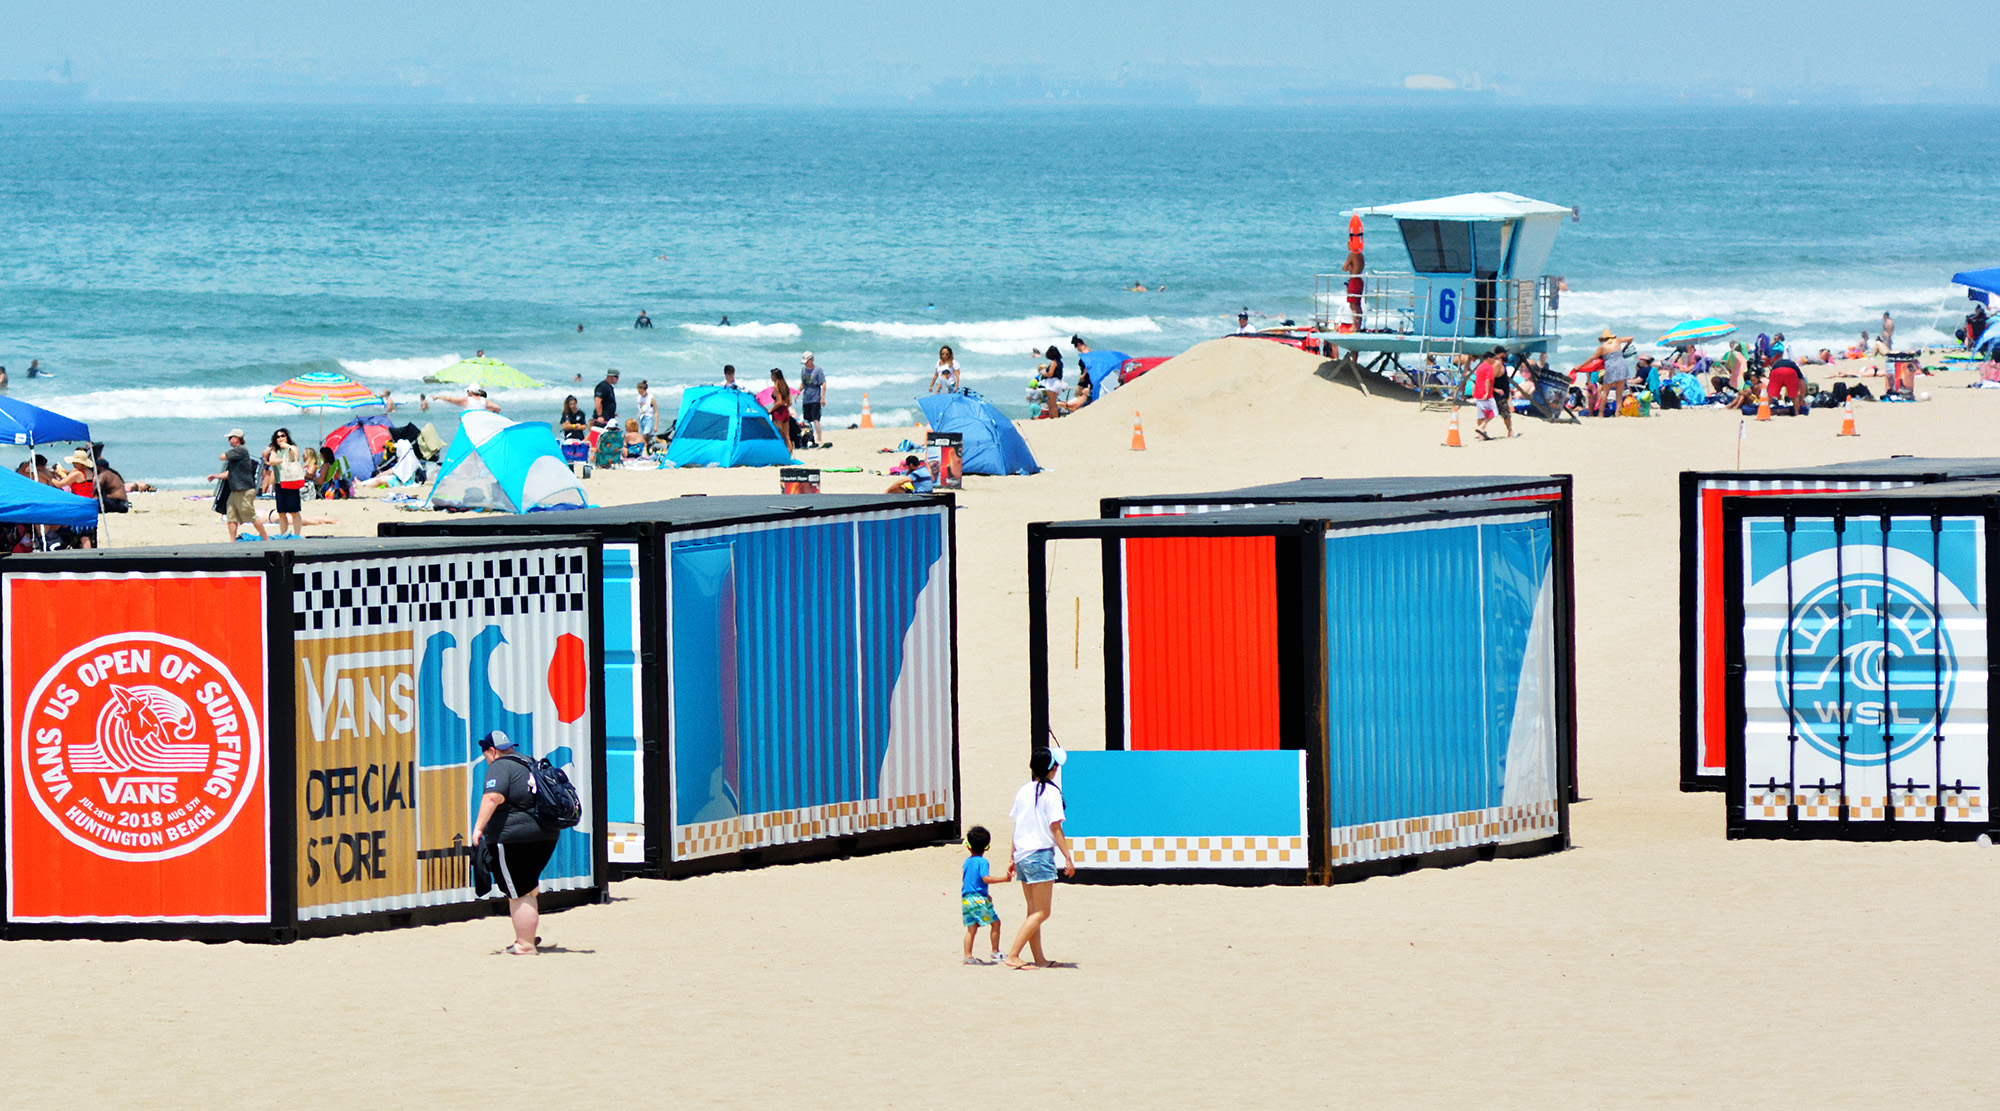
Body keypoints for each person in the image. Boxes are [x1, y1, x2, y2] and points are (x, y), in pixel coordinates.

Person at [470, 731, 559, 956]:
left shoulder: (499, 766)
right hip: (546, 835)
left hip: (515, 839)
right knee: (527, 886)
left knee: (518, 892)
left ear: (492, 751)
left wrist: (479, 828)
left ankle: (525, 945)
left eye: (487, 756)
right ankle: (528, 934)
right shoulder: (529, 762)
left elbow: (493, 797)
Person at [1003, 746, 1073, 970]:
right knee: (1043, 912)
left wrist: (1012, 857)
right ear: (1052, 768)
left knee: (1033, 911)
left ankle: (1039, 958)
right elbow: (1055, 828)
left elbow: (1017, 826)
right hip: (1039, 855)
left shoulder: (1024, 790)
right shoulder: (1051, 792)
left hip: (1023, 855)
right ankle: (1013, 954)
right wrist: (1068, 857)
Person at [207, 429, 268, 542]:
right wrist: (215, 476)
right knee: (231, 516)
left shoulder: (240, 450)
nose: (229, 440)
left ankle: (266, 539)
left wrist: (228, 453)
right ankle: (232, 541)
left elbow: (222, 456)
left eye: (230, 438)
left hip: (244, 490)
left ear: (237, 438)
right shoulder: (236, 455)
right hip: (235, 490)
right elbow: (229, 474)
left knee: (250, 515)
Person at [961, 825, 1006, 966]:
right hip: (978, 898)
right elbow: (985, 878)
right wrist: (1003, 879)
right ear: (987, 847)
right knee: (995, 923)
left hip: (966, 899)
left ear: (968, 846)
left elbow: (970, 881)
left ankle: (968, 956)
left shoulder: (967, 862)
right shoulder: (983, 862)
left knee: (971, 928)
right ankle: (995, 952)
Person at [264, 428, 308, 539]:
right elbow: (272, 461)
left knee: (294, 510)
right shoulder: (275, 450)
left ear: (287, 437)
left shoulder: (292, 448)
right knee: (281, 512)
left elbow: (295, 459)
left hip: (291, 480)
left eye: (282, 436)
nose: (280, 438)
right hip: (280, 482)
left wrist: (287, 448)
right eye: (278, 436)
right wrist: (283, 460)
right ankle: (283, 534)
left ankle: (297, 534)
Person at [1593, 329, 1636, 416]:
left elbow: (1596, 359)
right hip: (1621, 369)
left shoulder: (1603, 348)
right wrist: (1625, 347)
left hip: (1610, 372)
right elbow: (1631, 338)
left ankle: (1601, 414)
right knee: (1619, 394)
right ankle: (1617, 413)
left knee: (1605, 393)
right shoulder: (1617, 342)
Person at [1470, 349, 1502, 440]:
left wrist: (1496, 390)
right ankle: (1481, 427)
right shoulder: (1489, 367)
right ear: (1489, 359)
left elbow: (1482, 380)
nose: (1495, 361)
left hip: (1478, 393)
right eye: (1494, 359)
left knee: (1481, 414)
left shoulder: (1479, 367)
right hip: (1486, 394)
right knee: (1493, 412)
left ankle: (1481, 434)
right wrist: (1487, 393)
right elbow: (1488, 380)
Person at [798, 352, 827, 445]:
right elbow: (803, 383)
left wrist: (822, 398)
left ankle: (819, 438)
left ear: (811, 360)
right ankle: (809, 438)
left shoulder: (818, 370)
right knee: (806, 421)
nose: (806, 364)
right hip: (806, 398)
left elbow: (823, 383)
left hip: (815, 398)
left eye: (807, 361)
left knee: (816, 419)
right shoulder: (803, 370)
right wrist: (797, 393)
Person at [766, 369, 795, 450]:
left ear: (775, 376)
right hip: (785, 411)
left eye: (771, 375)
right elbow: (789, 402)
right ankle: (790, 454)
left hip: (778, 413)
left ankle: (783, 453)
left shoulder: (777, 387)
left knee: (779, 434)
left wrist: (771, 410)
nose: (771, 377)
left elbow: (779, 402)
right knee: (787, 435)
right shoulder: (786, 386)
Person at [1034, 345, 1065, 419]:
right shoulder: (1060, 362)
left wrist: (1043, 373)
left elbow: (1050, 374)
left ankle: (1054, 418)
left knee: (1052, 404)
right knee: (1052, 403)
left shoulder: (1054, 362)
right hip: (1058, 382)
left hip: (1052, 384)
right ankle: (1053, 418)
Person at [433, 385, 501, 413]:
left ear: (471, 392)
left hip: (469, 425)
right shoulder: (484, 400)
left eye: (467, 391)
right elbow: (498, 408)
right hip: (481, 423)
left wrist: (438, 397)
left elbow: (449, 399)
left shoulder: (467, 400)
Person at [1342, 246, 1365, 328]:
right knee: (1357, 304)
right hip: (1359, 279)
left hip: (1354, 279)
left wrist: (1349, 267)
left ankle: (1354, 325)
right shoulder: (1361, 255)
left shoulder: (1352, 254)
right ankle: (1359, 324)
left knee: (1353, 304)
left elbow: (1344, 267)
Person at [634, 380, 658, 448]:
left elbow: (656, 412)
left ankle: (645, 449)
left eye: (641, 391)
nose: (640, 393)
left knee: (646, 434)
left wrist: (656, 425)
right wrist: (636, 420)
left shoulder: (651, 397)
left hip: (648, 418)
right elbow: (640, 410)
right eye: (639, 391)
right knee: (642, 436)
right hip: (641, 418)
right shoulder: (638, 398)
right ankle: (647, 449)